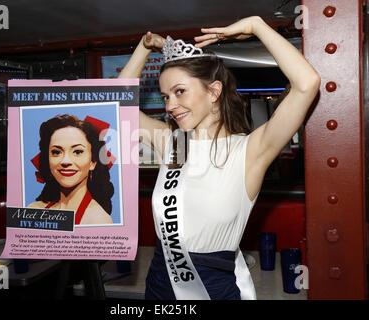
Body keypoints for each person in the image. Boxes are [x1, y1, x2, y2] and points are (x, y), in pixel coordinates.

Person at [119, 16, 320, 300]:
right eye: (165, 96)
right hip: (160, 281)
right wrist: (144, 46)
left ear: (213, 91)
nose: (170, 106)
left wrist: (256, 26)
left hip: (214, 286)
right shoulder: (173, 144)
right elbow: (116, 104)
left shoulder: (249, 151)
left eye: (179, 92)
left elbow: (307, 84)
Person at [28, 114, 114, 225]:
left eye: (78, 152)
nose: (65, 161)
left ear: (93, 162)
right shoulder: (34, 210)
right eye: (56, 152)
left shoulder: (99, 220)